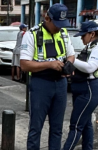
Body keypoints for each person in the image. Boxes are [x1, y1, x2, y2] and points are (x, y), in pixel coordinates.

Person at [20, 3, 75, 150]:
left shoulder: (63, 33)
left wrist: (69, 64)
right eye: (57, 23)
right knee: (35, 128)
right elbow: (24, 65)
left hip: (61, 83)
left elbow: (71, 54)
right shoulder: (32, 34)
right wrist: (49, 65)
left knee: (57, 128)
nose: (59, 27)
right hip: (41, 84)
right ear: (47, 18)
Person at [62, 21, 98, 150]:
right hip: (82, 88)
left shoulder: (97, 48)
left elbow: (90, 68)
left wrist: (71, 59)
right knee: (86, 124)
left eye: (83, 35)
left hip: (88, 89)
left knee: (76, 125)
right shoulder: (89, 46)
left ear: (92, 33)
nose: (82, 38)